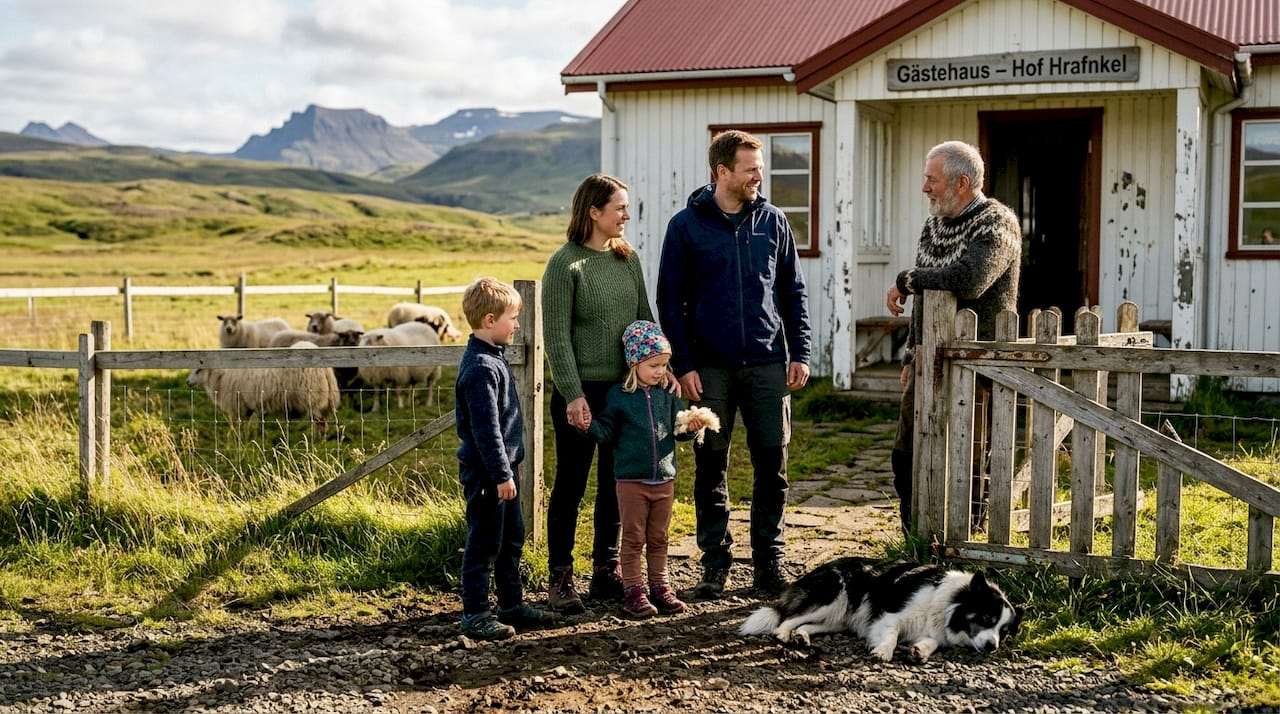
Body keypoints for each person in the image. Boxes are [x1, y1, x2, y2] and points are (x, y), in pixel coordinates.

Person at [657, 129, 812, 599]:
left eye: (759, 168)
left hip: (768, 363)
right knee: (711, 466)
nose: (759, 177)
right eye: (750, 169)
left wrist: (800, 351)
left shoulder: (774, 221)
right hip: (710, 368)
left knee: (772, 464)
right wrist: (684, 364)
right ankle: (715, 562)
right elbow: (670, 300)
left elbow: (792, 292)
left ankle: (769, 560)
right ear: (722, 172)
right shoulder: (685, 226)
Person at [885, 140, 1022, 533]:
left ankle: (969, 539)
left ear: (962, 182)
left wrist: (907, 280)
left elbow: (971, 280)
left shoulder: (997, 223)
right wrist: (911, 357)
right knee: (906, 454)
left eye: (932, 180)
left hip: (977, 368)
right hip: (929, 358)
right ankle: (916, 537)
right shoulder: (933, 224)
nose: (925, 188)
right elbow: (927, 298)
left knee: (970, 457)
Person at [542, 174, 661, 613]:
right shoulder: (565, 264)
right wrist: (574, 396)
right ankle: (560, 578)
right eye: (620, 208)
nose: (627, 216)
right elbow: (556, 337)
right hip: (580, 392)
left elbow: (644, 323)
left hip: (624, 392)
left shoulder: (628, 260)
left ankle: (605, 571)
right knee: (571, 485)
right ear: (594, 212)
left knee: (616, 484)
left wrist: (658, 369)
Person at [579, 320, 707, 618]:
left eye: (664, 364)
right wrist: (588, 427)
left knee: (660, 537)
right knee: (634, 538)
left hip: (664, 479)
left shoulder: (668, 396)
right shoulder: (618, 398)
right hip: (631, 481)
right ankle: (633, 590)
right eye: (654, 365)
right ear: (634, 363)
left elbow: (678, 431)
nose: (661, 371)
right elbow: (607, 433)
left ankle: (660, 587)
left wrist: (692, 428)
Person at [454, 276, 552, 640]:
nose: (517, 325)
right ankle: (475, 613)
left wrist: (513, 464)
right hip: (488, 474)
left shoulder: (492, 359)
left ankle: (512, 603)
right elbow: (486, 430)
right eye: (512, 318)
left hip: (505, 469)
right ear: (490, 320)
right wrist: (500, 473)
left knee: (512, 537)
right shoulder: (480, 368)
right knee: (484, 542)